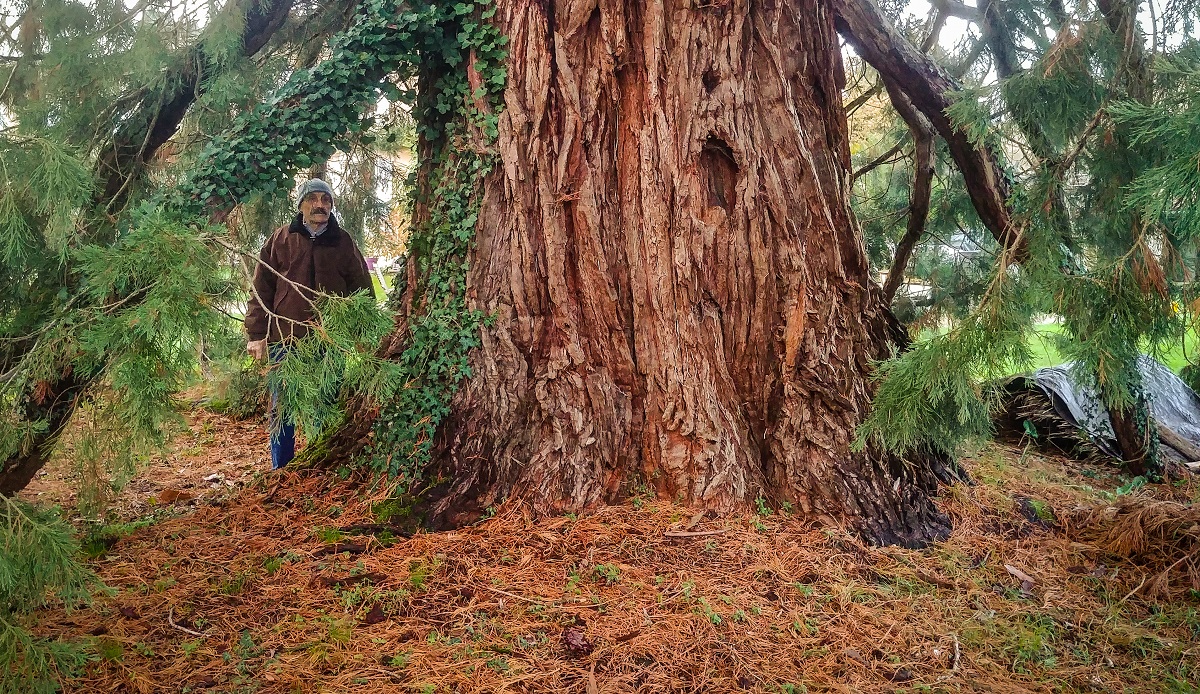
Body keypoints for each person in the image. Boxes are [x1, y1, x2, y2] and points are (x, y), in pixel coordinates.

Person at [245, 179, 373, 469]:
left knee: (325, 403)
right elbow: (261, 289)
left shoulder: (343, 242)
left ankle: (319, 468)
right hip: (285, 339)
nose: (320, 205)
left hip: (329, 340)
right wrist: (255, 333)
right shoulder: (280, 239)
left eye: (326, 200)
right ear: (300, 204)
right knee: (282, 407)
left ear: (332, 206)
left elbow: (361, 289)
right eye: (313, 199)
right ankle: (281, 468)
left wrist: (363, 332)